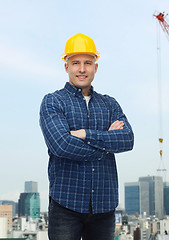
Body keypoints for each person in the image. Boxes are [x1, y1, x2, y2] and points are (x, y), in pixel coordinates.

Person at [39, 33, 134, 240]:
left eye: (88, 63)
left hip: (104, 206)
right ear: (66, 67)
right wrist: (107, 142)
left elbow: (128, 139)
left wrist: (84, 135)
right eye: (76, 63)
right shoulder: (53, 102)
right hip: (66, 205)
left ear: (95, 67)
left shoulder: (110, 104)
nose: (82, 69)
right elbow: (62, 145)